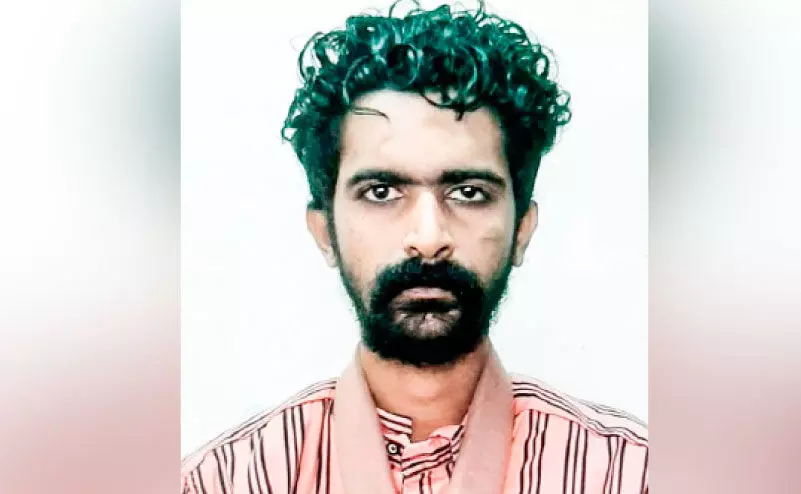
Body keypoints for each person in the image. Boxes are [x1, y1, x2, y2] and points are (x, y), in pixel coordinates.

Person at [182, 1, 648, 493]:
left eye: (468, 192)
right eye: (382, 192)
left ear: (522, 230)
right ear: (324, 233)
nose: (428, 239)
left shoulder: (630, 475)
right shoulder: (218, 483)